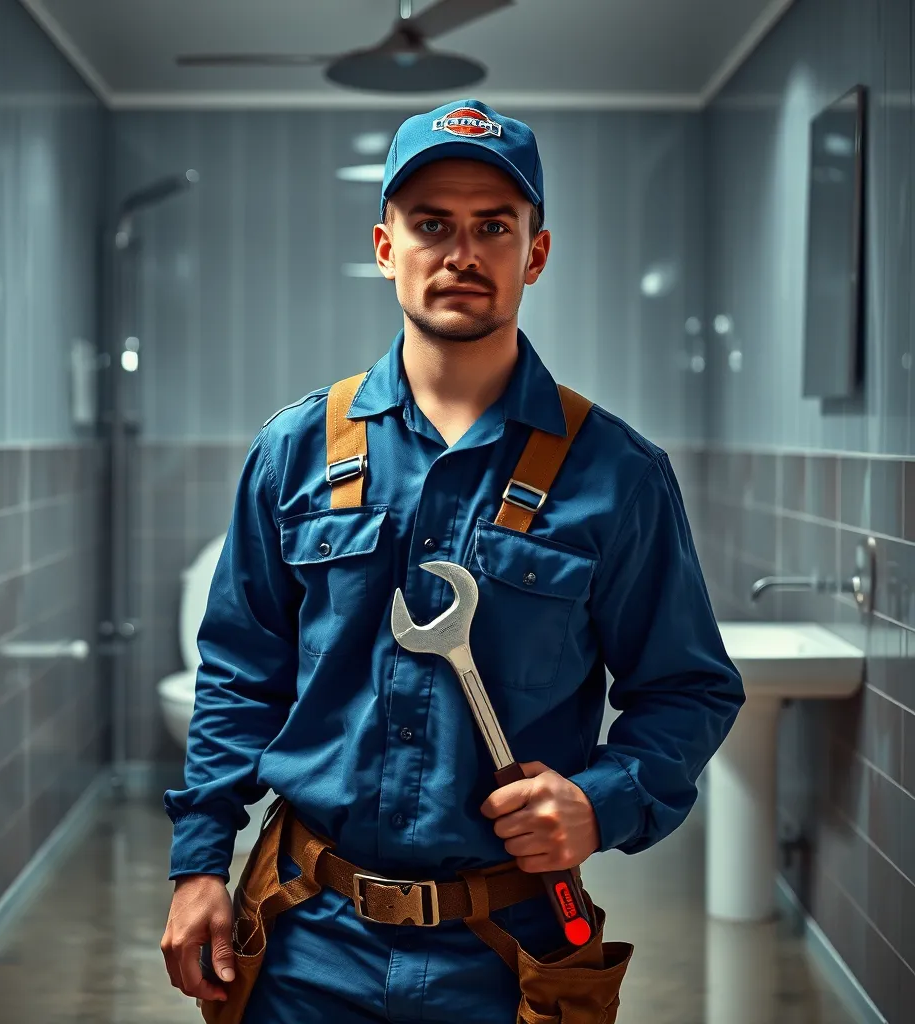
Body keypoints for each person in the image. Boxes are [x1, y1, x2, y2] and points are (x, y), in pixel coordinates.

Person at [160, 98, 744, 1023]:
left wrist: (603, 800)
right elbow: (240, 672)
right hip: (310, 937)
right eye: (431, 224)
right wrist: (200, 863)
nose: (460, 253)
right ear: (386, 245)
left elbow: (689, 689)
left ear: (535, 254)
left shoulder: (619, 475)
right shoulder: (294, 452)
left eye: (493, 227)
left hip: (510, 950)